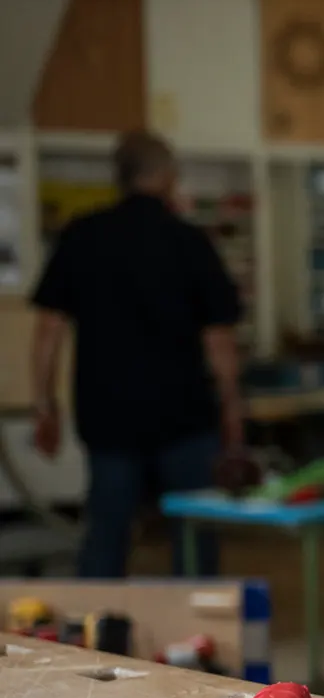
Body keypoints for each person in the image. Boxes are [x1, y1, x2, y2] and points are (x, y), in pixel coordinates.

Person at [29, 131, 245, 577]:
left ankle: (94, 623)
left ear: (120, 178)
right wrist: (232, 410)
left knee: (106, 537)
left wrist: (44, 406)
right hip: (184, 416)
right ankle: (197, 620)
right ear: (167, 177)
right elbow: (219, 341)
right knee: (195, 536)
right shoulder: (189, 242)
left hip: (108, 416)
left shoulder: (82, 235)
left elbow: (48, 333)